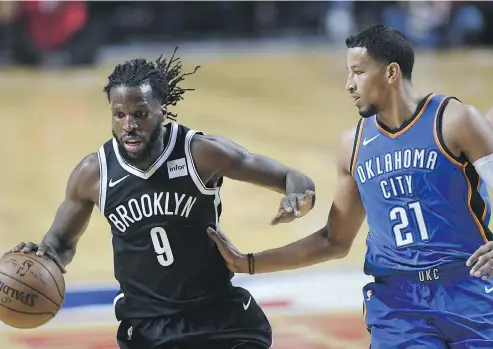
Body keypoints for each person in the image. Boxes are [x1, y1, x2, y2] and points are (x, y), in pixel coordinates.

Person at [207, 25, 493, 348]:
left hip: (469, 286)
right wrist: (248, 262)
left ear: (391, 73)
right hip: (399, 303)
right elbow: (334, 240)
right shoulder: (353, 145)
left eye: (358, 72)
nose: (348, 84)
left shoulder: (454, 121)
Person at [9, 49, 316, 349]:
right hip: (146, 327)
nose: (129, 125)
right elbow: (59, 244)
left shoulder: (202, 153)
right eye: (119, 115)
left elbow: (293, 177)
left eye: (139, 114)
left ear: (161, 110)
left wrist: (298, 197)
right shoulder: (94, 173)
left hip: (220, 315)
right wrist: (41, 256)